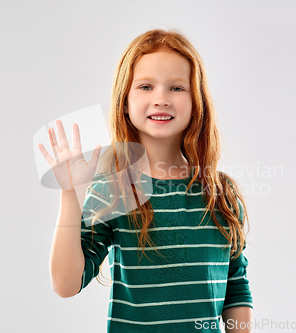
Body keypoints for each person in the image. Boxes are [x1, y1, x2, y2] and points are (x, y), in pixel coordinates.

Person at [38, 28, 253, 333]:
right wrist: (69, 193)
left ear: (196, 101)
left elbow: (236, 289)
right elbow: (66, 283)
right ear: (124, 101)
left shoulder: (221, 193)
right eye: (146, 87)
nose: (161, 99)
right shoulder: (113, 191)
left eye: (177, 88)